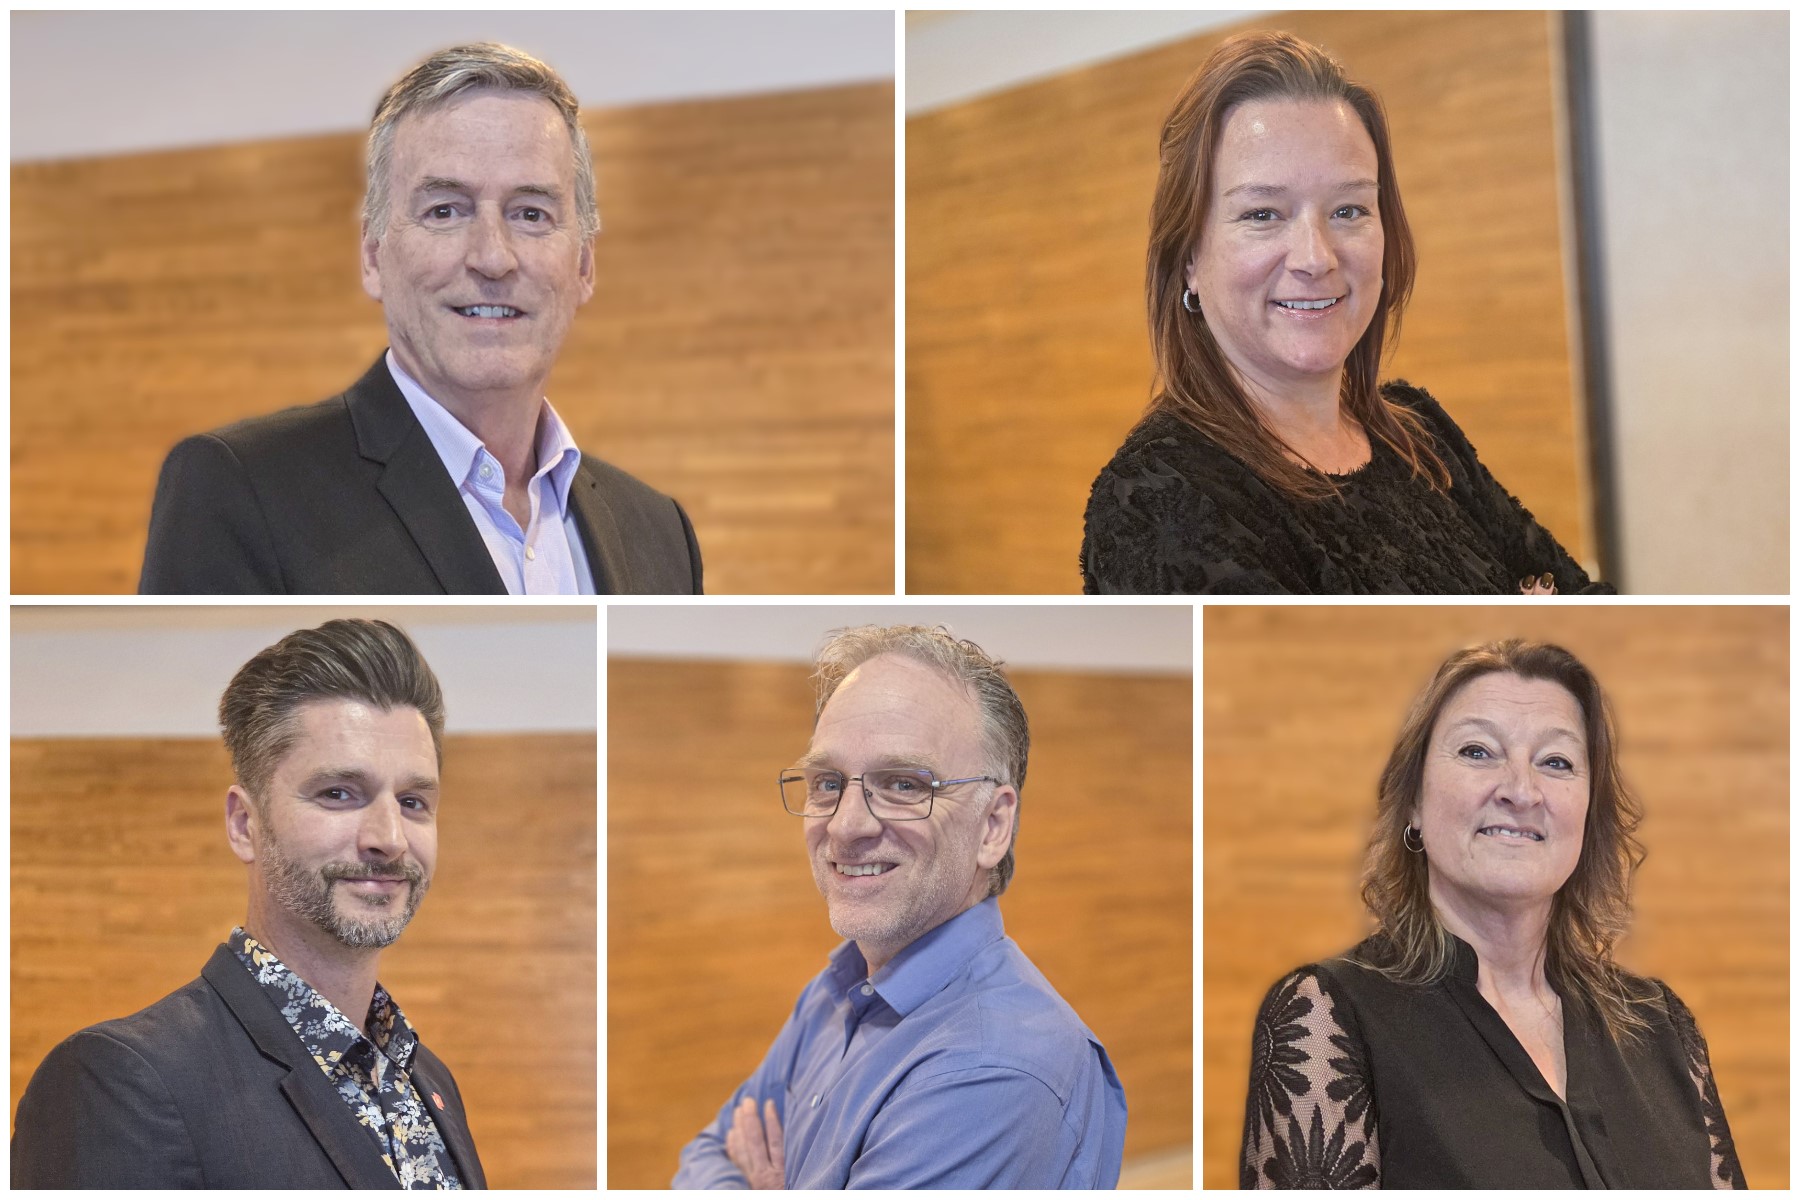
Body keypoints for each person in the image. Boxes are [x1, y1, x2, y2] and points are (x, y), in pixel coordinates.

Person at [139, 43, 702, 595]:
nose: (493, 257)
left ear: (583, 264)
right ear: (373, 256)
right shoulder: (242, 489)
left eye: (531, 213)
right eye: (445, 211)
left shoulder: (660, 533)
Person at [1081, 31, 1610, 595]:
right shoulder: (1159, 499)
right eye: (1263, 214)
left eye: (1348, 210)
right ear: (1188, 257)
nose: (1316, 258)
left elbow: (1597, 614)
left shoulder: (1421, 434)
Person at [1241, 639, 1742, 1188]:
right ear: (1414, 801)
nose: (1522, 791)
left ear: (1587, 813)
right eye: (1478, 751)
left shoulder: (1662, 1024)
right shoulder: (1327, 1017)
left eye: (1556, 762)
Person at [12, 619, 487, 1188]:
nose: (389, 837)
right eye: (339, 793)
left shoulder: (429, 1080)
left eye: (412, 801)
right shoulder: (120, 1082)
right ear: (244, 824)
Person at [673, 625, 1127, 1188]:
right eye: (828, 782)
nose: (846, 826)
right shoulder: (837, 991)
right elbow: (707, 1153)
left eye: (905, 785)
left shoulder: (993, 1068)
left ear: (993, 825)